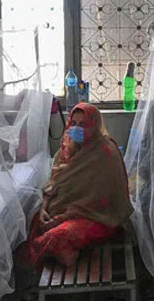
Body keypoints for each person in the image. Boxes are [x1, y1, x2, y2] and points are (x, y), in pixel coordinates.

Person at [27, 103, 133, 266]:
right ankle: (67, 251)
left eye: (83, 125)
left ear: (95, 125)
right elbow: (55, 181)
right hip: (68, 210)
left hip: (98, 217)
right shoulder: (70, 149)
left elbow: (102, 201)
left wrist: (65, 216)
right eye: (74, 124)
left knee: (57, 236)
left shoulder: (106, 153)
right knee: (36, 222)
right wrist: (44, 208)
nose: (76, 129)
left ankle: (69, 253)